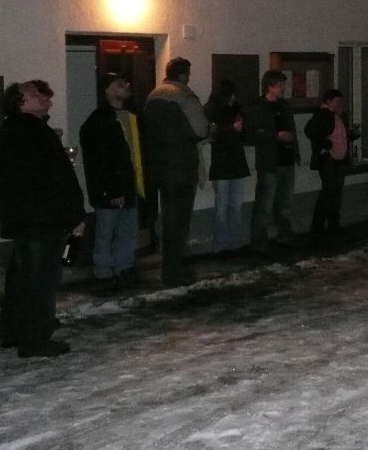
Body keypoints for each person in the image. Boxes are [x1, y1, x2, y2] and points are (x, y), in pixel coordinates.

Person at [0, 80, 85, 358]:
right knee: (41, 281)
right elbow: (56, 179)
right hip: (44, 221)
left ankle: (10, 330)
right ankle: (35, 338)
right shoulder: (34, 132)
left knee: (21, 278)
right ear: (21, 102)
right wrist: (74, 215)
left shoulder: (8, 132)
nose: (44, 99)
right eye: (35, 95)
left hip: (23, 220)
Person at [141, 57, 210, 287]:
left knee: (169, 219)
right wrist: (211, 130)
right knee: (179, 222)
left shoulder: (153, 96)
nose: (189, 78)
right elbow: (200, 130)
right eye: (188, 74)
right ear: (182, 75)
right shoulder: (184, 96)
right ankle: (175, 272)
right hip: (182, 167)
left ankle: (169, 269)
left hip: (159, 167)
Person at [79, 73, 142, 286]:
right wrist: (112, 189)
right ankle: (103, 273)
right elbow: (100, 160)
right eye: (120, 84)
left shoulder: (130, 116)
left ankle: (124, 268)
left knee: (127, 230)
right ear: (108, 90)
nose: (126, 86)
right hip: (111, 189)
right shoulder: (99, 121)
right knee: (106, 232)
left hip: (129, 185)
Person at [244, 70, 300, 253]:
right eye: (280, 85)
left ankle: (284, 233)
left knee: (285, 202)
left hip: (286, 159)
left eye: (284, 85)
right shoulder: (258, 106)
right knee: (265, 203)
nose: (283, 88)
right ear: (269, 87)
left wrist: (293, 146)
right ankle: (259, 240)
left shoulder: (284, 105)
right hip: (270, 162)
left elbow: (291, 129)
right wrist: (276, 136)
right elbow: (250, 134)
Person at [203, 80, 250, 257]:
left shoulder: (236, 110)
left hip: (234, 161)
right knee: (223, 206)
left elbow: (244, 134)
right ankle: (221, 244)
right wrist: (232, 128)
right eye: (231, 95)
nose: (233, 98)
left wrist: (240, 128)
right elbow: (211, 133)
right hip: (223, 162)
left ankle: (233, 243)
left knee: (234, 205)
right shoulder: (212, 110)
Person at [304, 88, 359, 237]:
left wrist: (352, 135)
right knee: (329, 192)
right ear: (328, 101)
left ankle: (332, 224)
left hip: (338, 159)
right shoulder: (323, 115)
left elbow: (339, 136)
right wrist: (325, 144)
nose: (339, 104)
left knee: (335, 193)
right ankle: (319, 227)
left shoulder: (335, 116)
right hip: (329, 159)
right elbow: (310, 131)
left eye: (340, 101)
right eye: (336, 101)